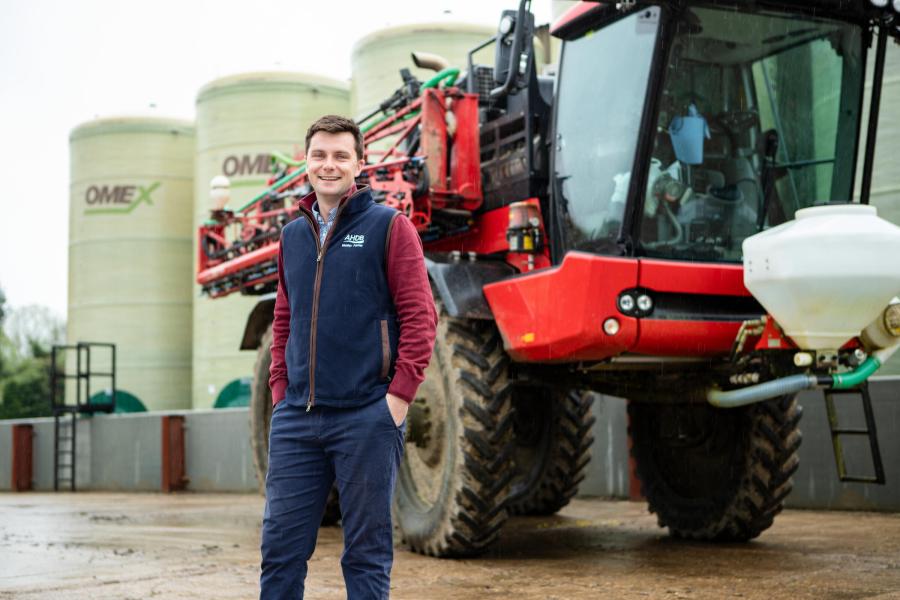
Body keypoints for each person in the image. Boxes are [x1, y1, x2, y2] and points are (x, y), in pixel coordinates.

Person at [260, 114, 437, 599]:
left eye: (341, 155)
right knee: (280, 551)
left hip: (366, 416)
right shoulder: (293, 235)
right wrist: (281, 392)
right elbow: (284, 316)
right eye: (320, 155)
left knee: (365, 554)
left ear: (360, 163)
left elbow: (421, 319)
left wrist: (397, 400)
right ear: (306, 162)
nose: (329, 164)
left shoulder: (389, 227)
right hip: (297, 418)